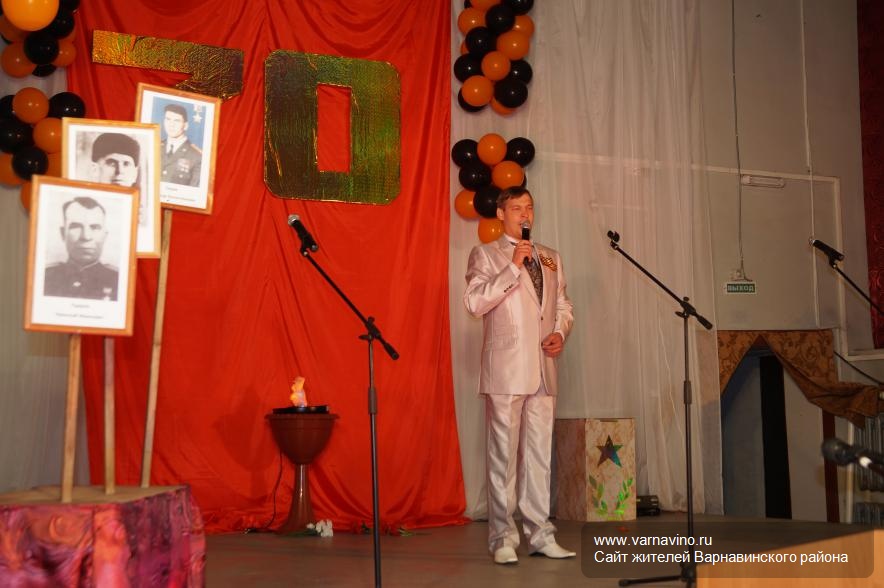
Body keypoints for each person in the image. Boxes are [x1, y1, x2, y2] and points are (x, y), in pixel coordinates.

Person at [464, 186, 575, 565]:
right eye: (516, 208)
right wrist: (512, 266)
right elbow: (474, 303)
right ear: (500, 214)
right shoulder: (485, 254)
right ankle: (502, 537)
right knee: (503, 458)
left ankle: (541, 534)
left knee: (539, 457)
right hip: (506, 370)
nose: (525, 214)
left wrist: (560, 332)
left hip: (543, 369)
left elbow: (562, 304)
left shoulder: (550, 257)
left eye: (529, 207)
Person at [44, 196, 118, 300]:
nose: (86, 236)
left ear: (104, 236)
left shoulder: (118, 279)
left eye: (95, 227)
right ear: (63, 233)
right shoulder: (45, 277)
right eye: (76, 227)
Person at [160, 103, 202, 186]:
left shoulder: (197, 156)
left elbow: (194, 190)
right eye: (168, 119)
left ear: (185, 126)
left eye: (177, 121)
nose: (171, 124)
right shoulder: (154, 147)